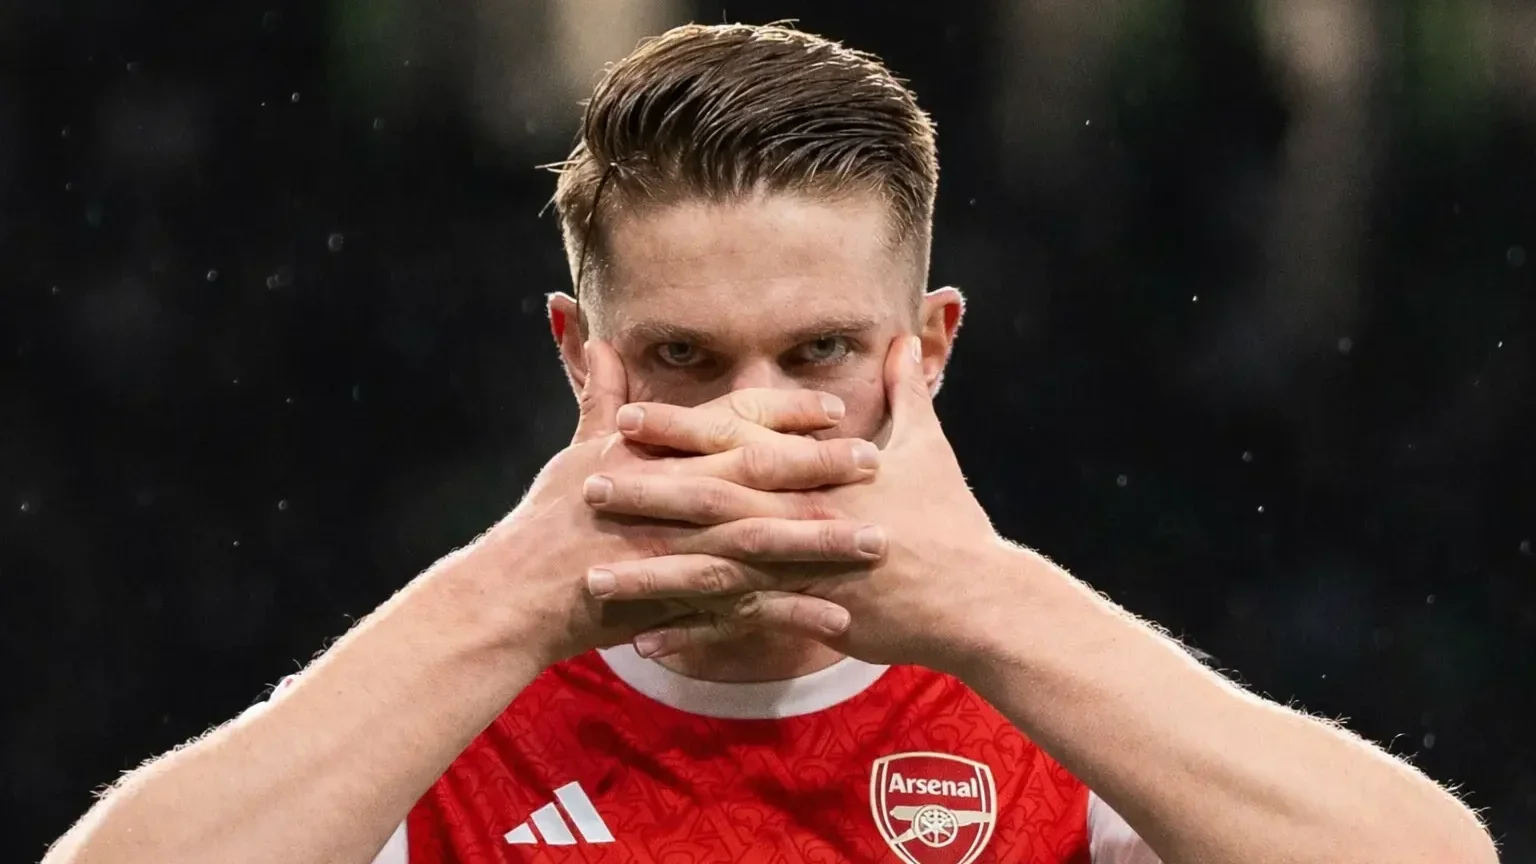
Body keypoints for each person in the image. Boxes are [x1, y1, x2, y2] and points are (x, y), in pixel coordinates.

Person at [44, 22, 1495, 864]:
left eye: (819, 354)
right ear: (579, 359)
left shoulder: (1047, 703)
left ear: (926, 351)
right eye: (684, 357)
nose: (752, 413)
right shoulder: (450, 703)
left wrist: (990, 606)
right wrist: (506, 602)